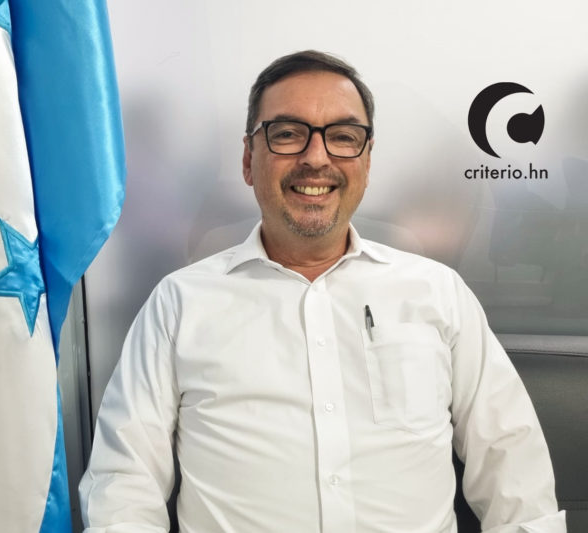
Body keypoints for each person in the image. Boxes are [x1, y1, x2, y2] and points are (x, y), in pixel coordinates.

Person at [78, 50, 566, 532]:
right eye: (287, 134)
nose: (316, 157)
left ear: (367, 163)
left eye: (343, 137)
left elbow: (513, 469)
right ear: (249, 159)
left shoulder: (437, 293)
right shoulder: (179, 304)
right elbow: (124, 488)